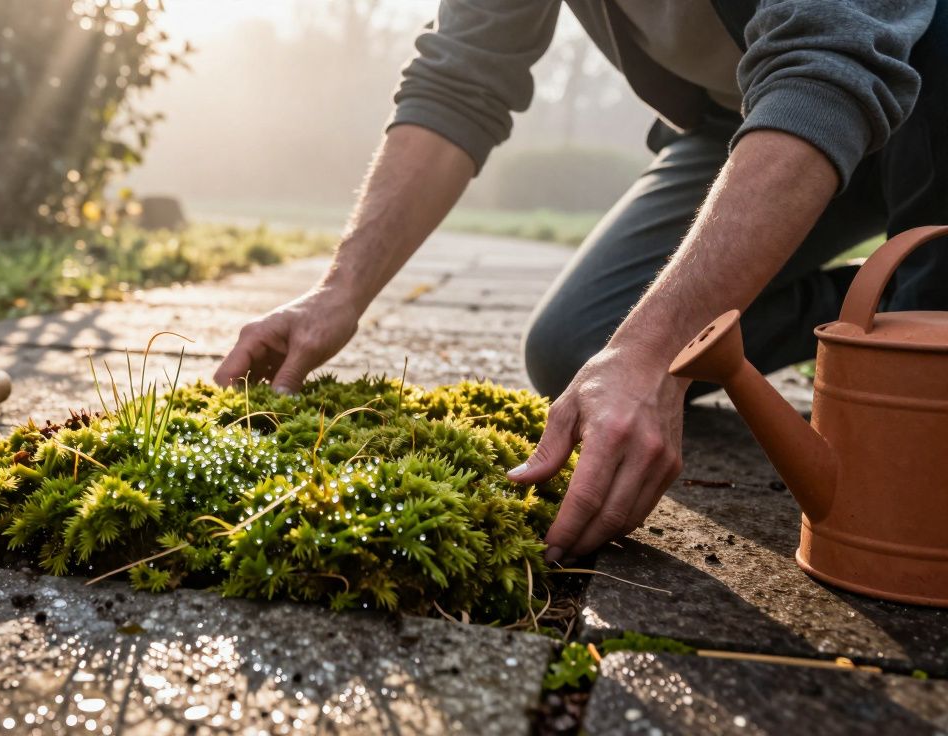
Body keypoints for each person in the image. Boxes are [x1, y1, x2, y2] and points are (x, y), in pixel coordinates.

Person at [214, 1, 947, 564]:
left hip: (915, 86)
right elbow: (461, 79)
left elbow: (830, 63)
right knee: (586, 345)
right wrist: (340, 290)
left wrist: (658, 349)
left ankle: (923, 302)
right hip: (749, 123)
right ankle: (876, 306)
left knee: (918, 439)